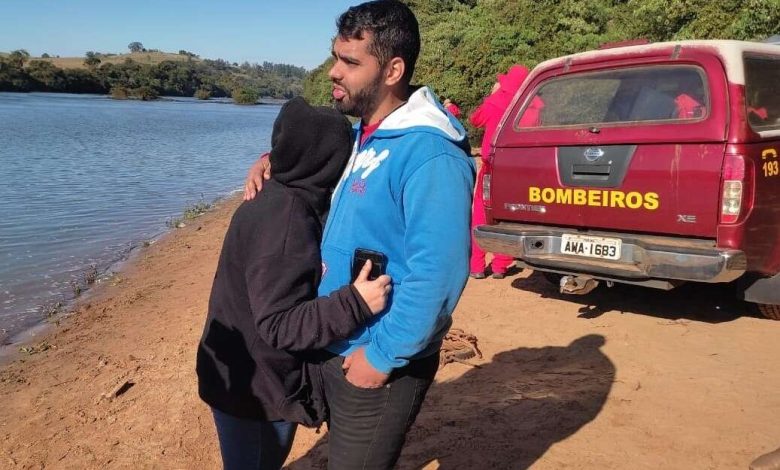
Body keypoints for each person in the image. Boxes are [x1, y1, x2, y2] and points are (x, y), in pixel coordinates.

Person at [245, 2, 475, 468]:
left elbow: (439, 273)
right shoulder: (362, 136)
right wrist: (271, 161)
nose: (334, 71)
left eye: (351, 62)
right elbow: (310, 162)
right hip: (333, 336)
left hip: (378, 356)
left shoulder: (431, 154)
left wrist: (384, 355)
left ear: (393, 70)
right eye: (336, 57)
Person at [196, 97, 392, 470]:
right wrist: (354, 302)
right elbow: (279, 324)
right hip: (254, 391)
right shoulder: (286, 222)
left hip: (241, 375)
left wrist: (265, 159)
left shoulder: (281, 194)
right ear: (328, 164)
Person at [468, 65, 532, 279]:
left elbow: (475, 119)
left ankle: (476, 265)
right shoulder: (532, 105)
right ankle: (500, 264)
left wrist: (492, 96)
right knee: (507, 214)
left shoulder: (496, 101)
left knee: (480, 212)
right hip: (517, 169)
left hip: (491, 165)